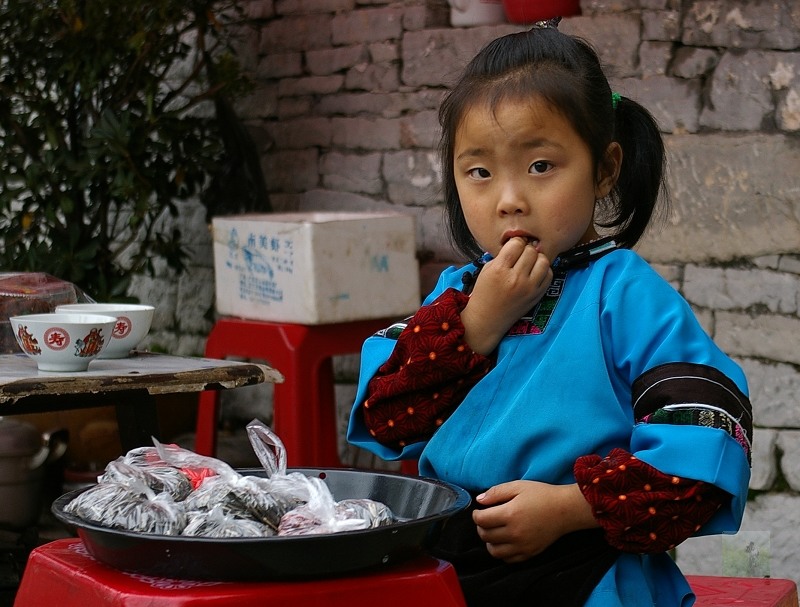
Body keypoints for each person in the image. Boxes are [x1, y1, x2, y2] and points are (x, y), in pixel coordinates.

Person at [347, 18, 752, 607]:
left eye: (540, 166)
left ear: (605, 168)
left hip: (589, 575)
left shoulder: (628, 298)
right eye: (479, 172)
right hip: (447, 571)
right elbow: (389, 420)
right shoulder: (458, 296)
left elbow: (703, 462)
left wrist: (567, 509)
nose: (508, 198)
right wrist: (476, 324)